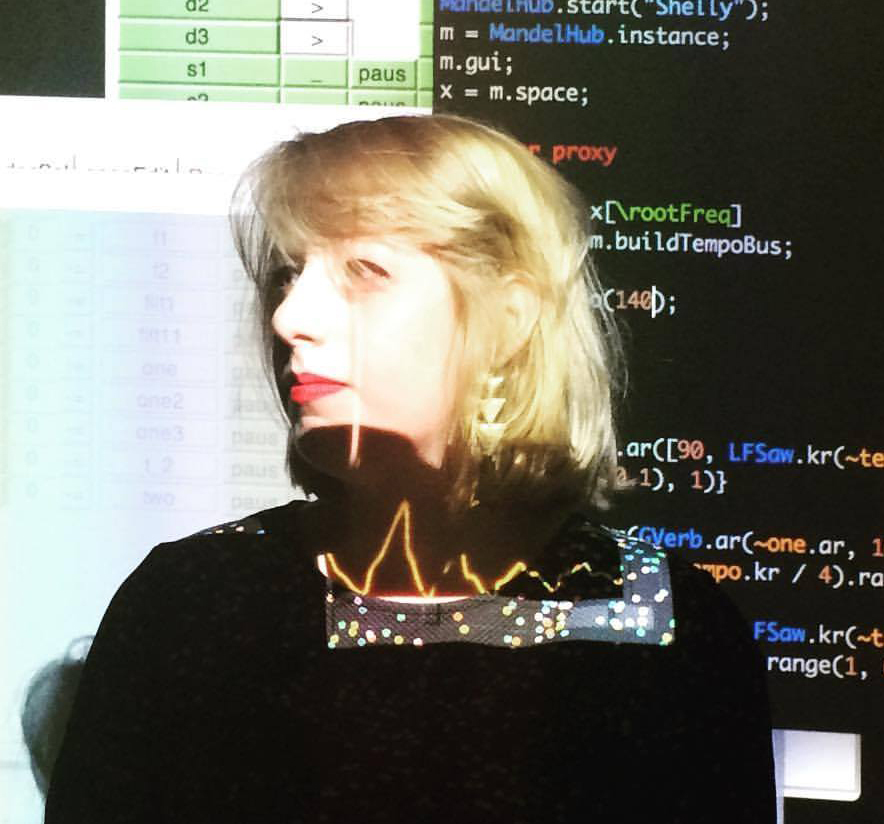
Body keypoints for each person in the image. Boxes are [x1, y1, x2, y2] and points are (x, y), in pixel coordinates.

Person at [44, 114, 776, 822]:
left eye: (363, 270)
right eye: (287, 275)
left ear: (511, 315)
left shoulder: (668, 626)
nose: (289, 318)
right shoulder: (192, 604)